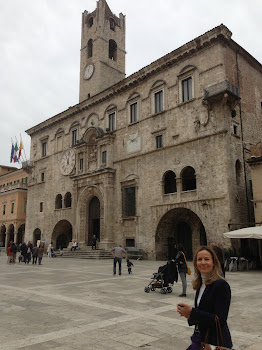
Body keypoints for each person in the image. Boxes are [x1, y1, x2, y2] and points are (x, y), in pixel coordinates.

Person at [177, 245, 233, 349]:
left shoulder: (221, 285)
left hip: (215, 342)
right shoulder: (201, 284)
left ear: (213, 262)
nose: (203, 262)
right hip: (202, 339)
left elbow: (220, 320)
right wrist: (188, 314)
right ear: (195, 263)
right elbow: (203, 312)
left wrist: (192, 312)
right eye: (199, 259)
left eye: (207, 259)